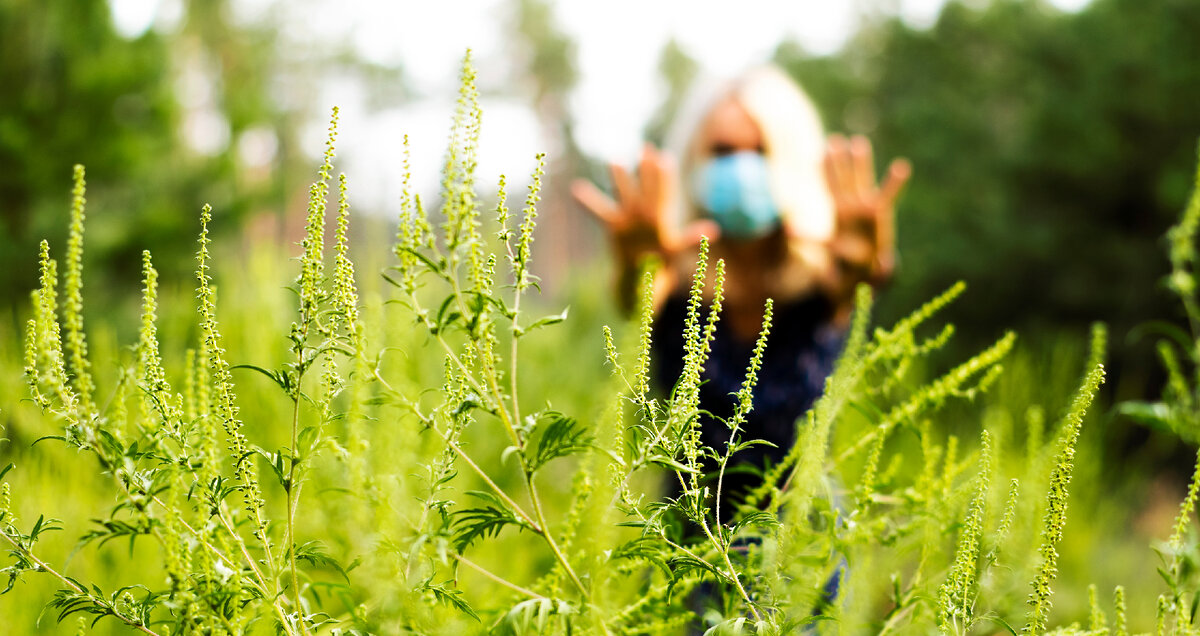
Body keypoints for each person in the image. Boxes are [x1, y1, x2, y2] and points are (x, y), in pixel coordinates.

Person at [571, 66, 911, 516]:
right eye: (724, 151)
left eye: (760, 151)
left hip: (803, 547)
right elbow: (638, 297)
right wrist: (639, 268)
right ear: (695, 159)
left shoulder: (823, 279)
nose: (742, 167)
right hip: (693, 547)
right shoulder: (675, 276)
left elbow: (859, 280)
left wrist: (866, 261)